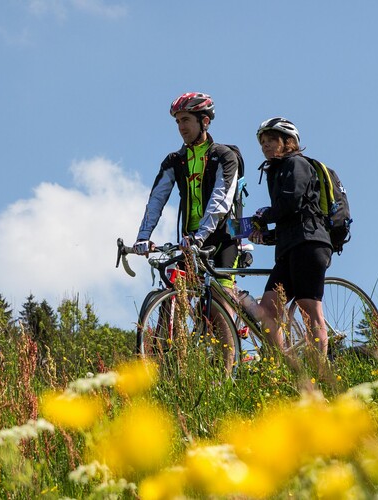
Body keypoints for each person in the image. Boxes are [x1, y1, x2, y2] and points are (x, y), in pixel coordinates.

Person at [134, 92, 244, 372]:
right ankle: (163, 363)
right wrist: (143, 237)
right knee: (173, 292)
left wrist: (202, 234)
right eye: (177, 122)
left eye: (186, 120)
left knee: (219, 304)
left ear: (204, 121)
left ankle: (227, 374)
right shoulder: (175, 160)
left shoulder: (223, 156)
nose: (181, 127)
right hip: (190, 240)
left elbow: (222, 199)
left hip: (222, 238)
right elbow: (156, 198)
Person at [248, 117, 333, 369]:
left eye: (271, 140)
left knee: (310, 310)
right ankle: (287, 367)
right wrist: (267, 235)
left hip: (310, 244)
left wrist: (265, 215)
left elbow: (292, 202)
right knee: (266, 311)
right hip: (289, 247)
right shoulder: (277, 170)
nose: (265, 146)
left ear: (289, 142)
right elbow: (290, 216)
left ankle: (321, 370)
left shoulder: (297, 164)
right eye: (262, 142)